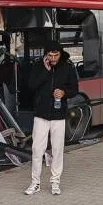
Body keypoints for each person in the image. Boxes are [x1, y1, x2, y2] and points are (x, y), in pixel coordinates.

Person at [24, 41, 79, 196]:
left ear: (60, 54)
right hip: (41, 115)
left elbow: (75, 89)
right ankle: (35, 183)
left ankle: (55, 182)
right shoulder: (38, 66)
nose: (53, 58)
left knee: (57, 149)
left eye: (56, 55)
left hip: (59, 115)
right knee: (36, 149)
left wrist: (64, 93)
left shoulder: (68, 67)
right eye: (50, 55)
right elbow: (31, 86)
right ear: (45, 54)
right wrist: (46, 72)